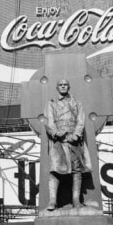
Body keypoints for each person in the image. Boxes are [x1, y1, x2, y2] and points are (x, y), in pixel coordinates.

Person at [44, 79, 92, 211]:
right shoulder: (51, 103)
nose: (63, 86)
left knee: (76, 171)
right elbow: (49, 121)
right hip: (58, 141)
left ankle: (76, 200)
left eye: (65, 85)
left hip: (73, 140)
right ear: (57, 87)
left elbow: (81, 120)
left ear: (69, 87)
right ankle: (53, 201)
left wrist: (76, 135)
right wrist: (56, 133)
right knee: (55, 170)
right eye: (60, 85)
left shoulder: (76, 103)